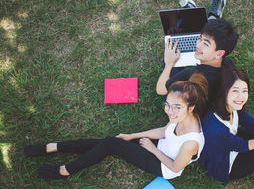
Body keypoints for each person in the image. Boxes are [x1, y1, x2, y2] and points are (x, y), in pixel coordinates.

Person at [24, 74, 208, 180]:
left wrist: (152, 149)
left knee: (111, 144)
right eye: (167, 105)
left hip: (163, 166)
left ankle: (65, 170)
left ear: (191, 107)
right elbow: (165, 131)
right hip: (160, 147)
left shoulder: (192, 141)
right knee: (107, 143)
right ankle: (54, 147)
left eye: (176, 107)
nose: (170, 111)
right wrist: (131, 136)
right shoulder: (180, 117)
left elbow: (176, 168)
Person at [156, 0, 239, 104]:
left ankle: (196, 17)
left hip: (179, 102)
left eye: (205, 43)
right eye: (199, 39)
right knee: (209, 32)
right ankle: (212, 17)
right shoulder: (228, 65)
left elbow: (160, 90)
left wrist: (169, 63)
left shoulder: (190, 75)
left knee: (171, 56)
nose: (197, 44)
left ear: (219, 53)